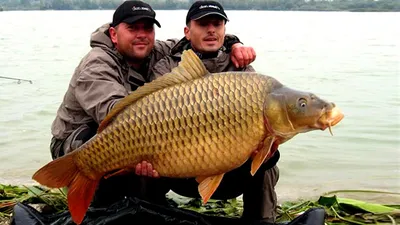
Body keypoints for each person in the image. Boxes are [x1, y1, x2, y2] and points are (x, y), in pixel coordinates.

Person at [49, 0, 256, 213]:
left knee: (153, 145)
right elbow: (115, 115)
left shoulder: (152, 50)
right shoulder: (96, 65)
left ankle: (147, 205)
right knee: (120, 142)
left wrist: (234, 44)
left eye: (147, 28)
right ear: (113, 34)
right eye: (132, 28)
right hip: (78, 142)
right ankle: (104, 206)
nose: (141, 35)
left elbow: (200, 39)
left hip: (129, 133)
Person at [145, 1, 281, 223]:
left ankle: (262, 220)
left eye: (217, 24)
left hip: (231, 172)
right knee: (142, 160)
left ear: (224, 31)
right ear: (187, 32)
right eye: (203, 24)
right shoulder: (166, 69)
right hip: (177, 169)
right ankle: (150, 217)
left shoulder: (243, 69)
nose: (211, 30)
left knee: (268, 159)